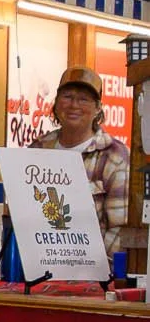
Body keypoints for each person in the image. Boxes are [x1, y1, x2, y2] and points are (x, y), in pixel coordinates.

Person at [33, 65, 130, 256]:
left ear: (97, 108)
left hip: (91, 276)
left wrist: (93, 269)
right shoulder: (37, 149)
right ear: (56, 103)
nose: (74, 105)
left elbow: (120, 230)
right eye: (67, 97)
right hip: (37, 269)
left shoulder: (115, 156)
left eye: (84, 99)